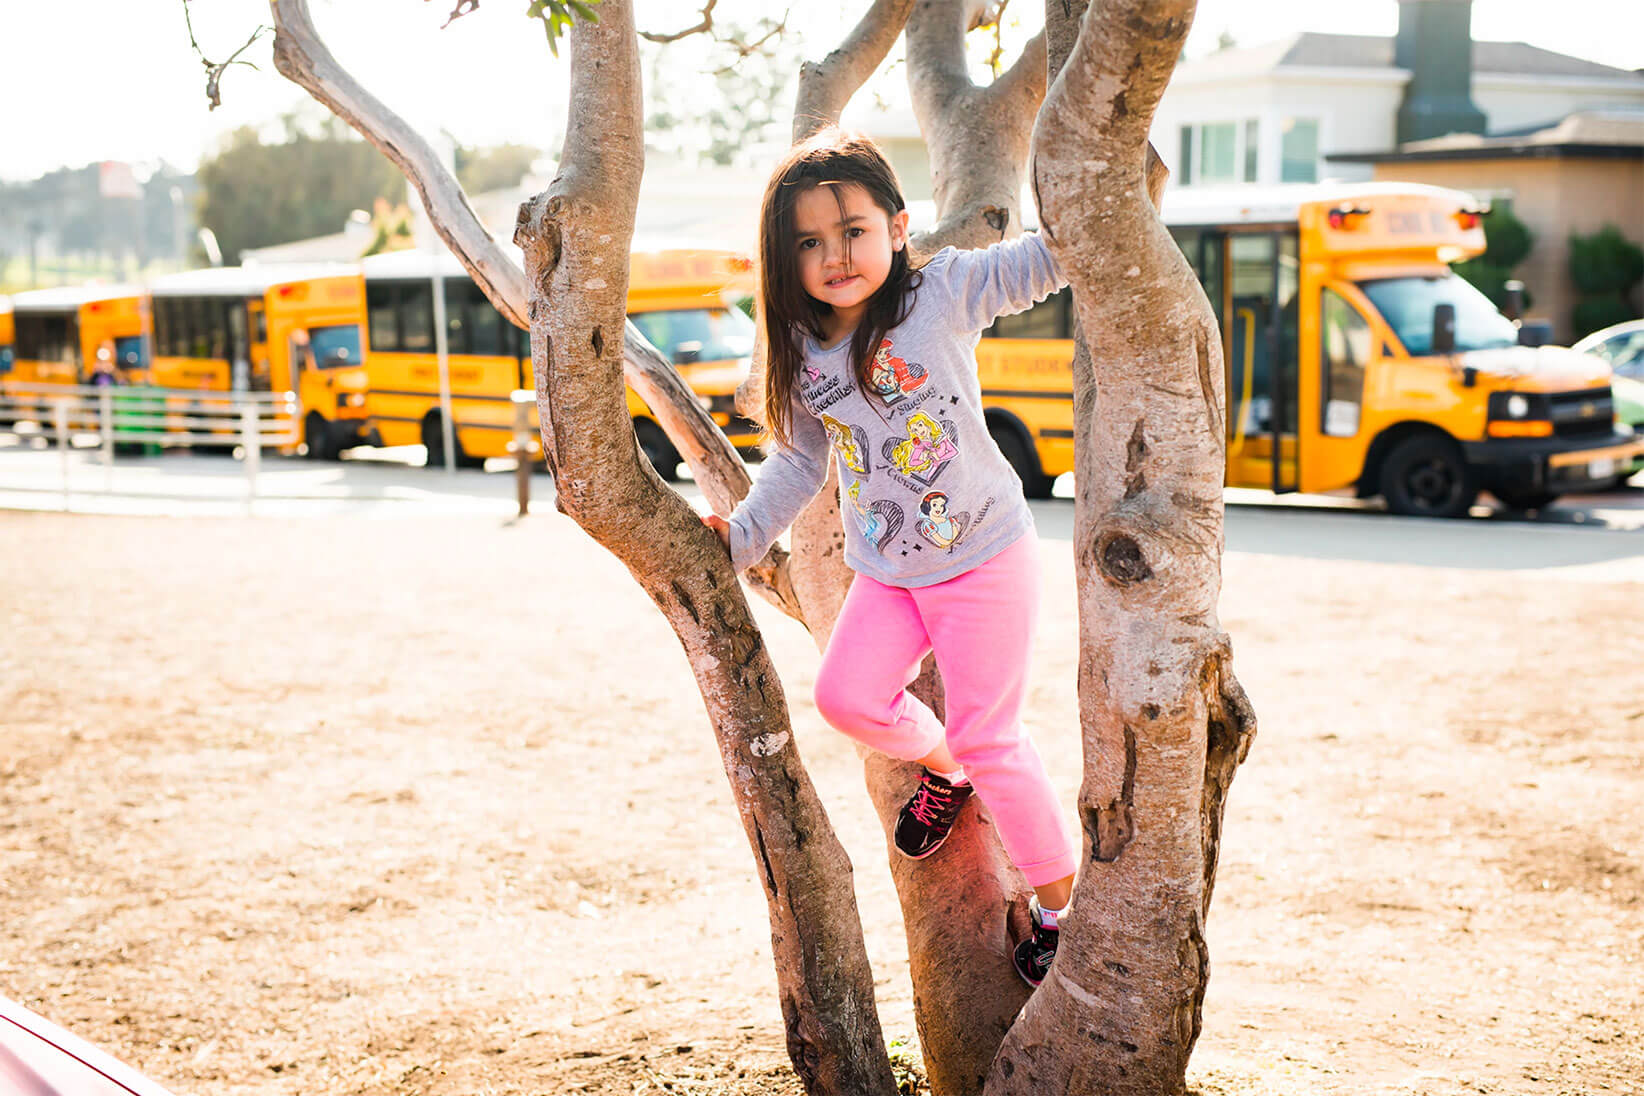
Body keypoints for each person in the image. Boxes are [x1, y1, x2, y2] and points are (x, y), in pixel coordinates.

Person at [703, 129, 1074, 988]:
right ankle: (941, 767)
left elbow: (1040, 266)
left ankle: (1062, 910)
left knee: (993, 738)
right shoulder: (802, 357)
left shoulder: (941, 292)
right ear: (782, 257)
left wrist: (1103, 203)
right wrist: (742, 539)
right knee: (846, 698)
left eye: (854, 230)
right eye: (809, 241)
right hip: (890, 572)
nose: (835, 255)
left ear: (898, 228)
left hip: (983, 555)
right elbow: (799, 462)